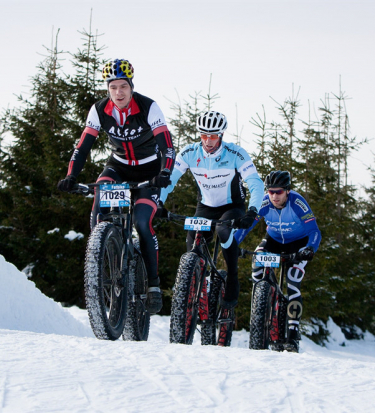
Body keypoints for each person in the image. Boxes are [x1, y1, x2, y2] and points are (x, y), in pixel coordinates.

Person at [57, 58, 175, 314]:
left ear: (131, 86)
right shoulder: (99, 110)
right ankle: (100, 261)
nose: (119, 93)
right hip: (118, 166)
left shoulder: (148, 107)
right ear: (108, 89)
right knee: (100, 200)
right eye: (113, 87)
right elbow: (83, 147)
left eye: (123, 86)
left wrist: (165, 172)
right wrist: (71, 176)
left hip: (149, 170)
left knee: (143, 222)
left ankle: (153, 285)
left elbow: (167, 145)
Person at [159, 110, 265, 312]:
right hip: (206, 206)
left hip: (232, 206)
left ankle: (232, 278)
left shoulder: (236, 153)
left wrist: (252, 211)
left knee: (223, 231)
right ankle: (199, 279)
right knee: (193, 236)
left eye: (213, 136)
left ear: (221, 135)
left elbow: (255, 183)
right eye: (204, 135)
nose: (208, 141)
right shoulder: (190, 153)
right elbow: (169, 180)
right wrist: (158, 203)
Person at [234, 170, 322, 351]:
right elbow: (247, 226)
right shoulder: (265, 202)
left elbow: (314, 231)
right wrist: (232, 244)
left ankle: (292, 334)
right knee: (257, 261)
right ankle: (260, 303)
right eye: (270, 191)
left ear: (287, 191)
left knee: (293, 279)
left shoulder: (297, 202)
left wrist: (310, 249)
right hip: (273, 240)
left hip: (298, 244)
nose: (274, 196)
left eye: (279, 192)